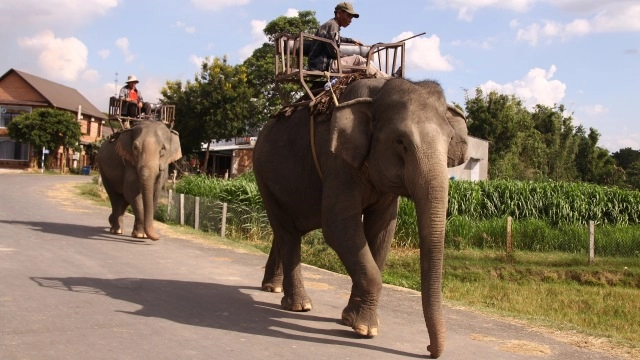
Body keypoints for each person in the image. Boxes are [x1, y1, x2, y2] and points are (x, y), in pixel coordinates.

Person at [308, 2, 389, 78]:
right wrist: (347, 56)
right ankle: (387, 79)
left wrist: (351, 40)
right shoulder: (332, 26)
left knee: (366, 62)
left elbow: (337, 39)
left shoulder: (332, 25)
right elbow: (332, 51)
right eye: (349, 16)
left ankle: (384, 76)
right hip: (323, 65)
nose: (350, 21)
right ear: (339, 13)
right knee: (358, 59)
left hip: (322, 64)